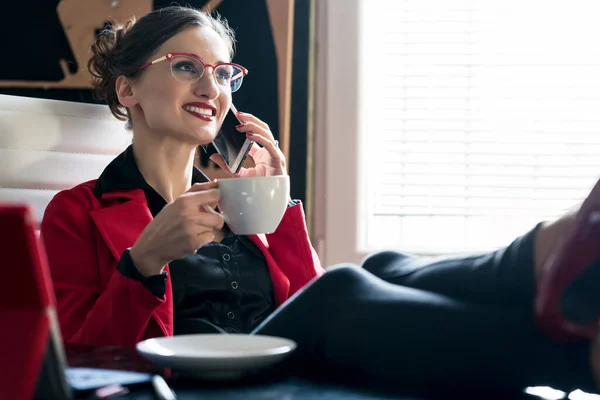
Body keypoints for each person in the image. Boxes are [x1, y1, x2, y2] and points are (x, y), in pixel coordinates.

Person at [40, 5, 600, 395]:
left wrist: (278, 205)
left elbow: (308, 301)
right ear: (128, 88)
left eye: (224, 73)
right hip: (188, 384)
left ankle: (558, 258)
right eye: (186, 67)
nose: (213, 89)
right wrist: (142, 264)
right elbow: (79, 363)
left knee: (381, 268)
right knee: (345, 287)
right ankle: (564, 321)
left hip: (281, 370)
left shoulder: (237, 202)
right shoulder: (76, 211)